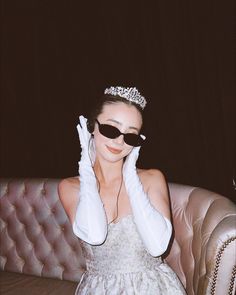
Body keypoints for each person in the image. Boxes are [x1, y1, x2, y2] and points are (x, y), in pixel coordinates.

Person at [59, 86, 186, 294]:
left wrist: (130, 177)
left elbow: (157, 246)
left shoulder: (152, 179)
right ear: (92, 126)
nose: (120, 140)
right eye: (111, 129)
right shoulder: (71, 187)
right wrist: (85, 166)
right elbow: (95, 234)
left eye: (131, 136)